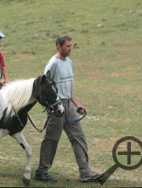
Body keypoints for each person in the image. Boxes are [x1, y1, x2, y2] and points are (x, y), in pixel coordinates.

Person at [34, 35, 103, 182]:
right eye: (67, 46)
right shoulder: (53, 64)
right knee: (52, 139)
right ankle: (41, 172)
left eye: (71, 46)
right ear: (59, 46)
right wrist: (52, 106)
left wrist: (77, 104)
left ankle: (85, 173)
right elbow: (44, 87)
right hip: (57, 107)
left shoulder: (70, 63)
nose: (70, 48)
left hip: (69, 107)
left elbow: (68, 88)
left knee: (79, 137)